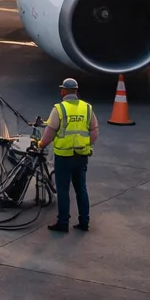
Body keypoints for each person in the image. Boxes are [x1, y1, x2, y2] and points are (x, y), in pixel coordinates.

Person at [37, 77, 98, 232]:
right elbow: (94, 130)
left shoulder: (59, 109)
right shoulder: (87, 108)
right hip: (81, 155)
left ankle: (63, 223)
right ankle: (84, 221)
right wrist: (85, 144)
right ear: (76, 91)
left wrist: (41, 144)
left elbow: (50, 131)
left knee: (63, 190)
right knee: (81, 189)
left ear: (63, 91)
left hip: (64, 157)